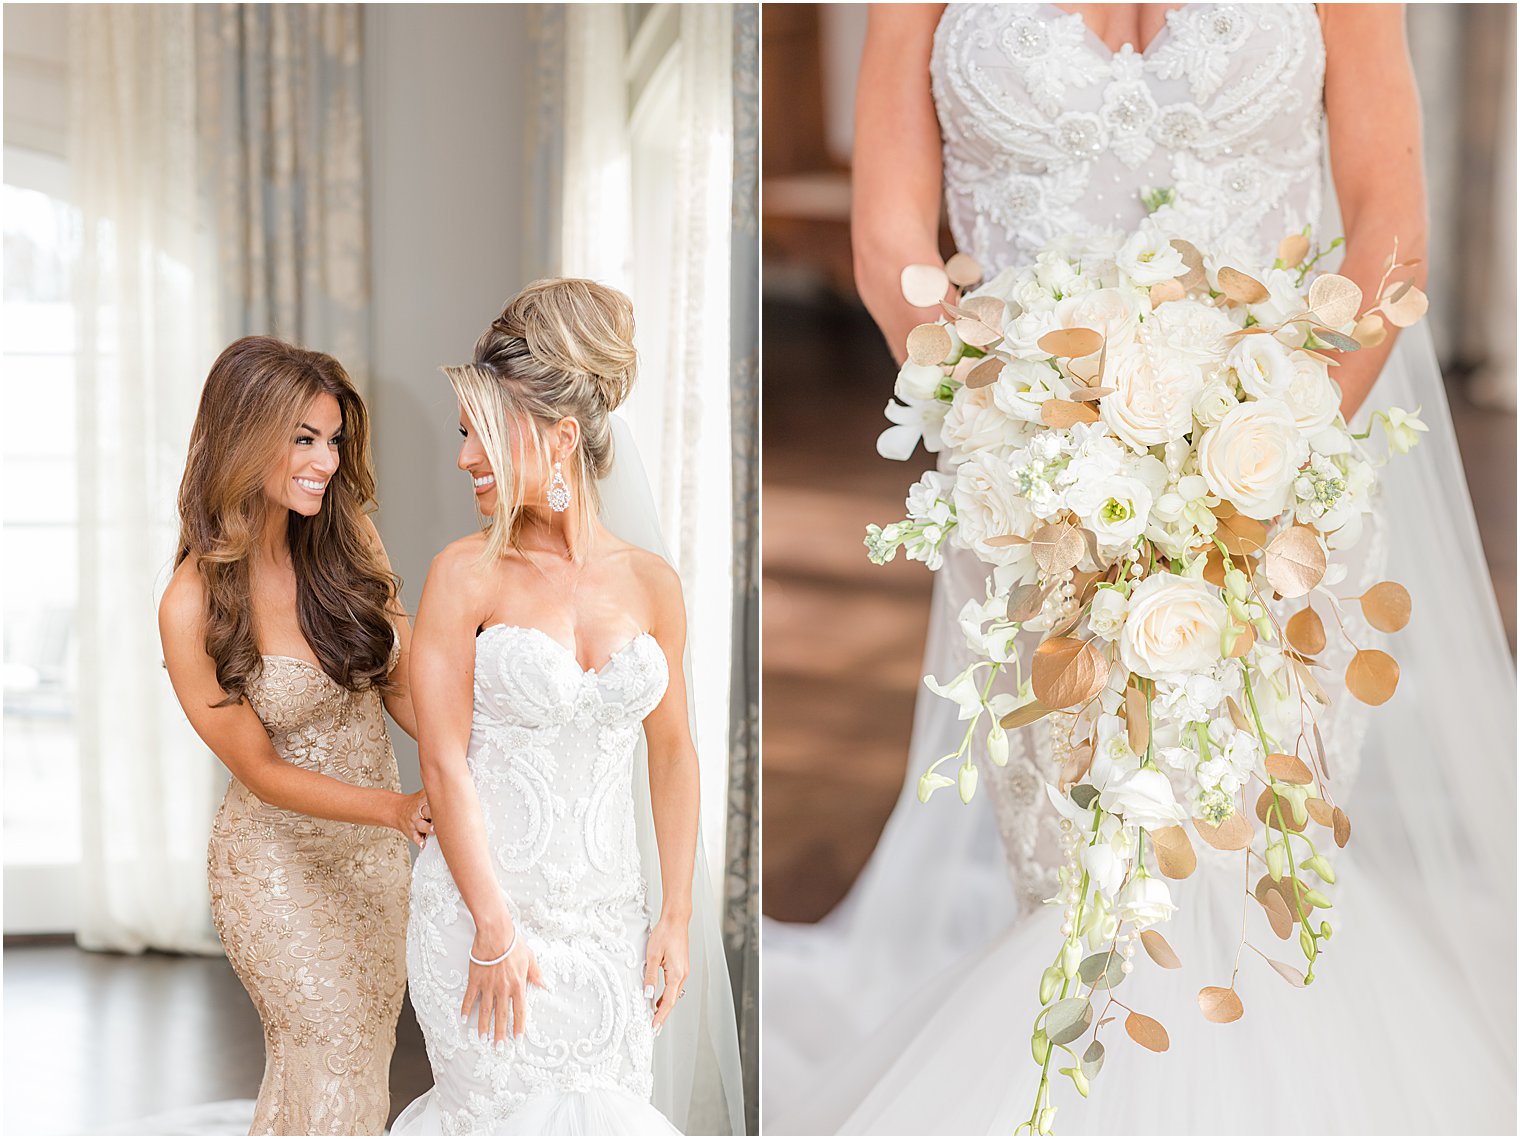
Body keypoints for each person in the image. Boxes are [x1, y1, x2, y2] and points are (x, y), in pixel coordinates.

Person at [763, 5, 1516, 1133]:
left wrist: (1269, 460)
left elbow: (1385, 230)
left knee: (1258, 866)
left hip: (1279, 487)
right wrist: (1027, 449)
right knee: (1089, 882)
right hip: (1042, 506)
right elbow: (889, 245)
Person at [393, 279, 744, 1135]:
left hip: (608, 926)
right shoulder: (462, 574)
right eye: (462, 433)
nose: (465, 458)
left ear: (559, 438)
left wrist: (675, 917)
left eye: (481, 433)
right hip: (480, 916)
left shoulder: (653, 584)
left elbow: (674, 753)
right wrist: (492, 923)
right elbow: (443, 762)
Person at [159, 336, 432, 1134]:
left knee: (353, 1056)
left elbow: (405, 688)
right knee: (330, 1043)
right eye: (304, 439)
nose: (327, 461)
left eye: (335, 439)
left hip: (374, 866)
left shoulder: (350, 545)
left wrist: (469, 749)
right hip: (274, 867)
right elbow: (260, 767)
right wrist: (398, 806)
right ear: (245, 438)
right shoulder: (190, 604)